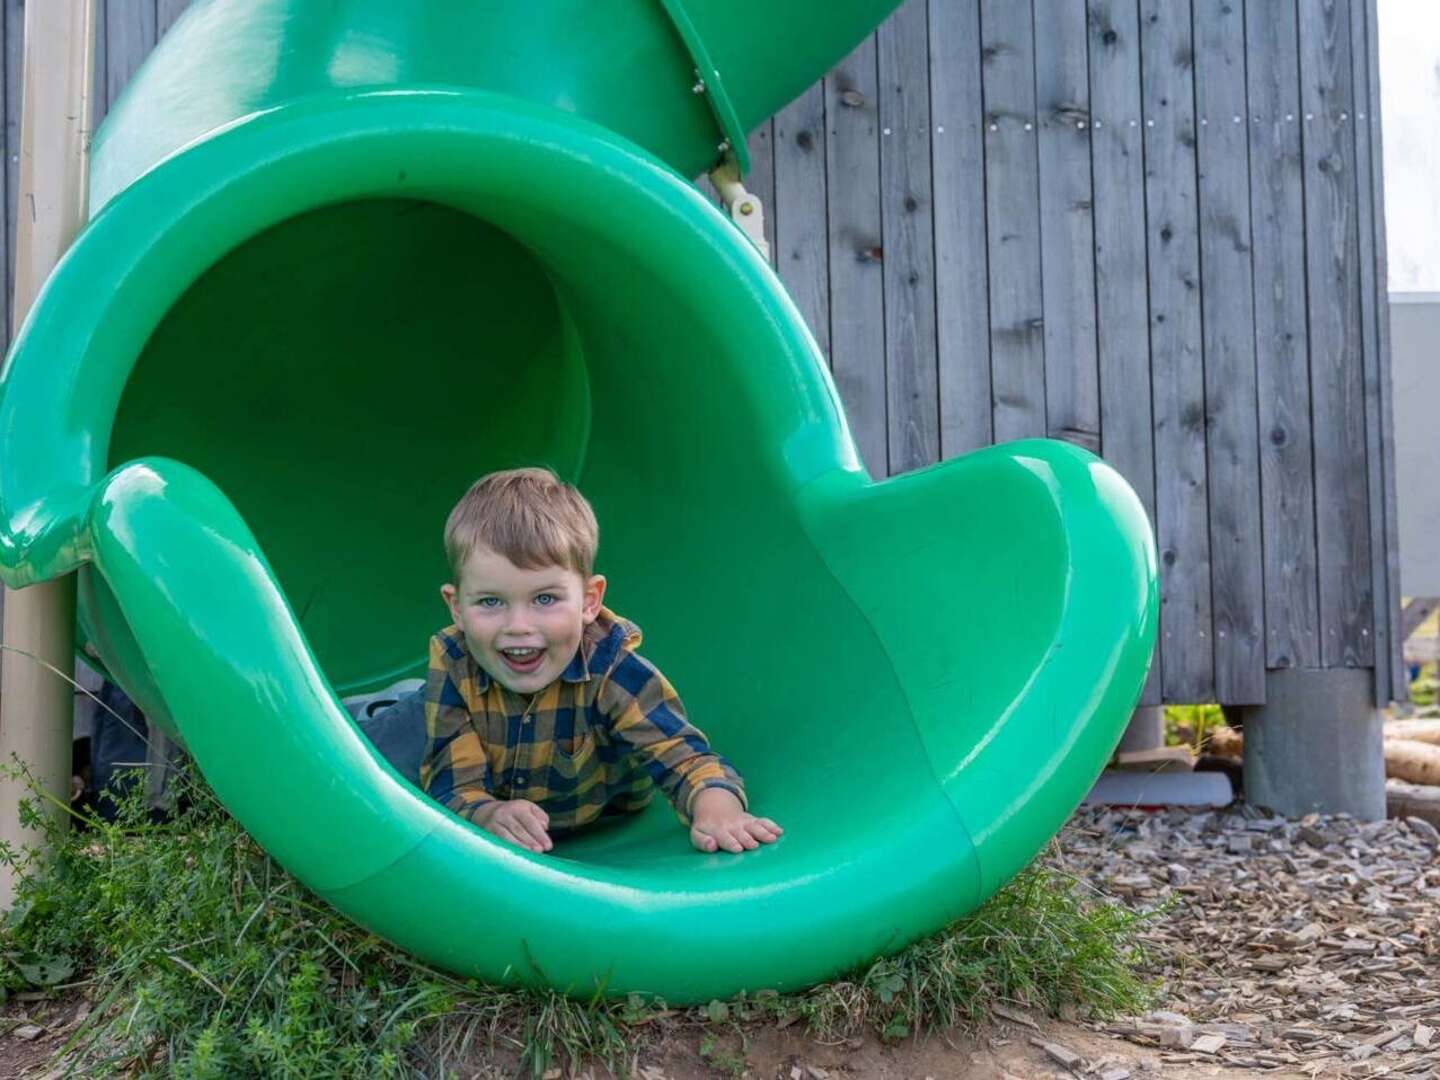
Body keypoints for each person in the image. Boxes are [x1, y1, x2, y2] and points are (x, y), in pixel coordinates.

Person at [388, 466, 782, 856]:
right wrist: (486, 814)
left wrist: (717, 812)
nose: (518, 627)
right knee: (381, 760)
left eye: (545, 599)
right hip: (435, 728)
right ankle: (391, 707)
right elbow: (451, 784)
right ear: (456, 607)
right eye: (490, 601)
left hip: (597, 812)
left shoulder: (612, 670)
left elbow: (684, 756)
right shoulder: (458, 663)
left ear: (590, 601)